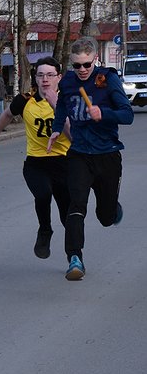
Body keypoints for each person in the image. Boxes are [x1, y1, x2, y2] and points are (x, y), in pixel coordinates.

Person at [47, 37, 133, 280]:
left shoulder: (108, 79)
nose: (82, 70)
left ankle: (111, 208)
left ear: (95, 59)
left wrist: (102, 113)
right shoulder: (70, 82)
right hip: (79, 154)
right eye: (77, 65)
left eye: (86, 64)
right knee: (76, 205)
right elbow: (62, 106)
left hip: (107, 154)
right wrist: (56, 128)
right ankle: (75, 258)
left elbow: (127, 115)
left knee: (105, 218)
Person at [0, 57, 71, 260]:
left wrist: (55, 105)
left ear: (58, 77)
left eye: (50, 75)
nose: (45, 79)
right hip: (36, 162)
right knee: (42, 195)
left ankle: (74, 255)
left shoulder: (69, 100)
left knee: (67, 213)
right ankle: (45, 230)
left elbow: (74, 135)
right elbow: (7, 114)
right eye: (40, 74)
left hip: (65, 162)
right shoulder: (25, 100)